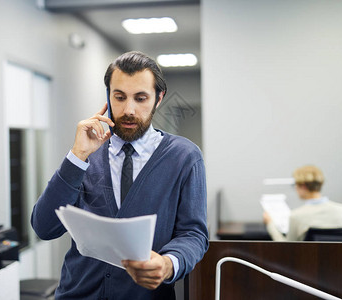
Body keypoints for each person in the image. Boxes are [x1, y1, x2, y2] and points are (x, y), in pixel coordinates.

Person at [31, 51, 209, 299]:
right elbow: (44, 227)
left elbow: (193, 234)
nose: (129, 110)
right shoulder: (86, 152)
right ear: (108, 97)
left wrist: (168, 263)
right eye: (120, 97)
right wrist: (77, 156)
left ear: (159, 99)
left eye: (140, 98)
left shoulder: (184, 157)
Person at [264, 165, 342, 241]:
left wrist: (270, 224)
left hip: (307, 259)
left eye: (295, 185)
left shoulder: (296, 216)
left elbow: (286, 249)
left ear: (303, 186)